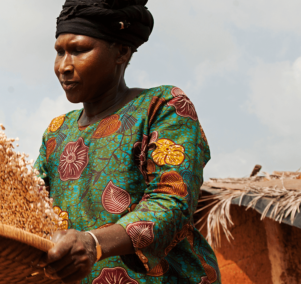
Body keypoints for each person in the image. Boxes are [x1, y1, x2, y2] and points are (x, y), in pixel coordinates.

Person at [33, 1, 219, 283]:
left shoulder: (162, 106)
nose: (64, 66)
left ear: (121, 52)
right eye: (59, 52)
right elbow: (30, 205)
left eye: (79, 50)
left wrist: (93, 243)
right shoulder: (57, 131)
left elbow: (172, 200)